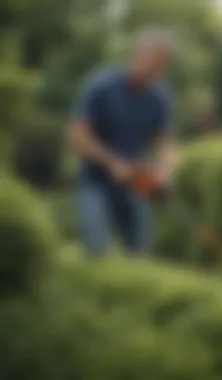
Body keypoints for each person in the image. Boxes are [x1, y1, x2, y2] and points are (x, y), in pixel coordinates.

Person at [67, 29, 175, 257]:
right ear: (138, 55)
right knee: (96, 250)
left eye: (161, 64)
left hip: (133, 182)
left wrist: (163, 172)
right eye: (154, 61)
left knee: (138, 251)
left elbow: (164, 143)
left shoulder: (159, 98)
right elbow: (77, 134)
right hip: (94, 182)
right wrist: (111, 163)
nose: (156, 69)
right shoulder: (101, 86)